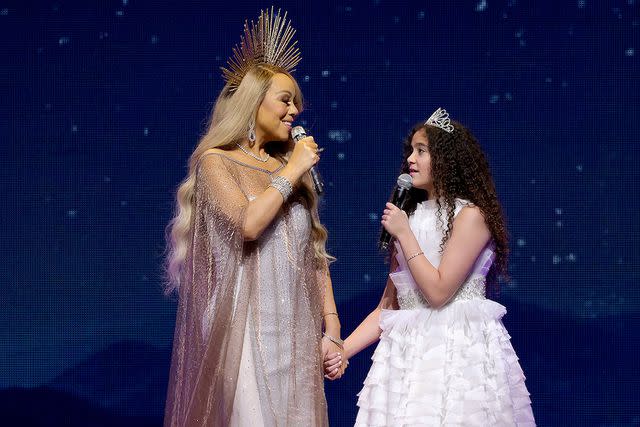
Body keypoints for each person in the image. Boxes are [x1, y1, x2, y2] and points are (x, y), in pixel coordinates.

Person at [163, 9, 343, 426]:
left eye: (297, 102)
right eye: (285, 99)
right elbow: (248, 225)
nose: (295, 110)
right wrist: (293, 169)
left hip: (294, 328)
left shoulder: (291, 173)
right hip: (241, 327)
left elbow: (313, 257)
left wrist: (330, 330)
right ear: (253, 100)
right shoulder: (216, 163)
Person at [325, 108, 535, 426]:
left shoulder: (472, 217)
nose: (411, 159)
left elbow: (438, 292)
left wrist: (405, 234)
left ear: (446, 160)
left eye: (421, 151)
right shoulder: (407, 220)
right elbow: (389, 305)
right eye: (411, 150)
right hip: (406, 355)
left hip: (457, 354)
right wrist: (343, 351)